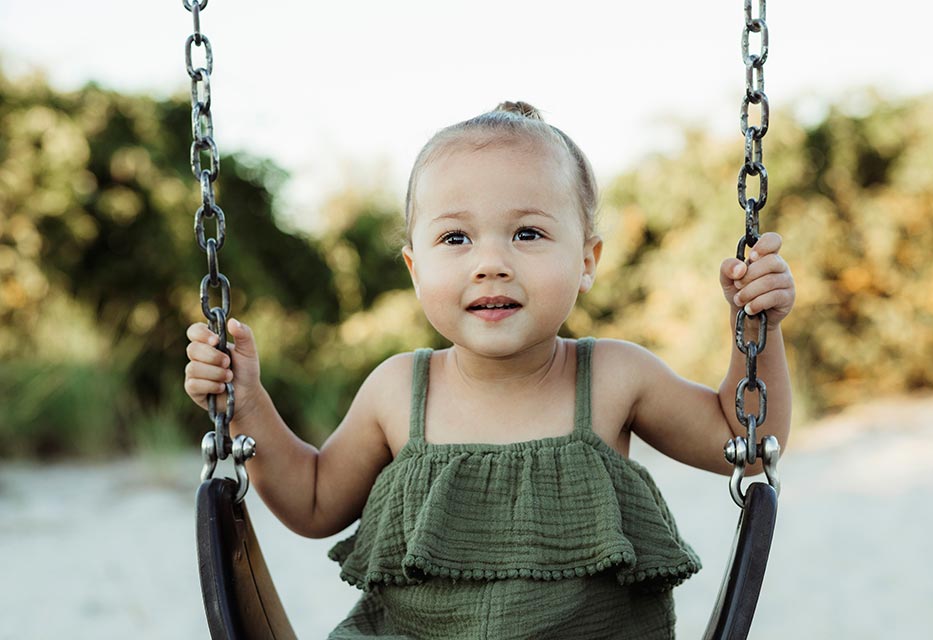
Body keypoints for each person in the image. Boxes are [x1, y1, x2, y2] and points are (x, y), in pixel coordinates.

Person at [184, 101, 795, 639]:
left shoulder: (613, 377)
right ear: (415, 267)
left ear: (587, 259)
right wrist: (247, 404)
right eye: (455, 239)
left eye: (527, 233)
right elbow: (314, 503)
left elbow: (743, 443)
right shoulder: (399, 391)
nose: (491, 263)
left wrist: (755, 328)